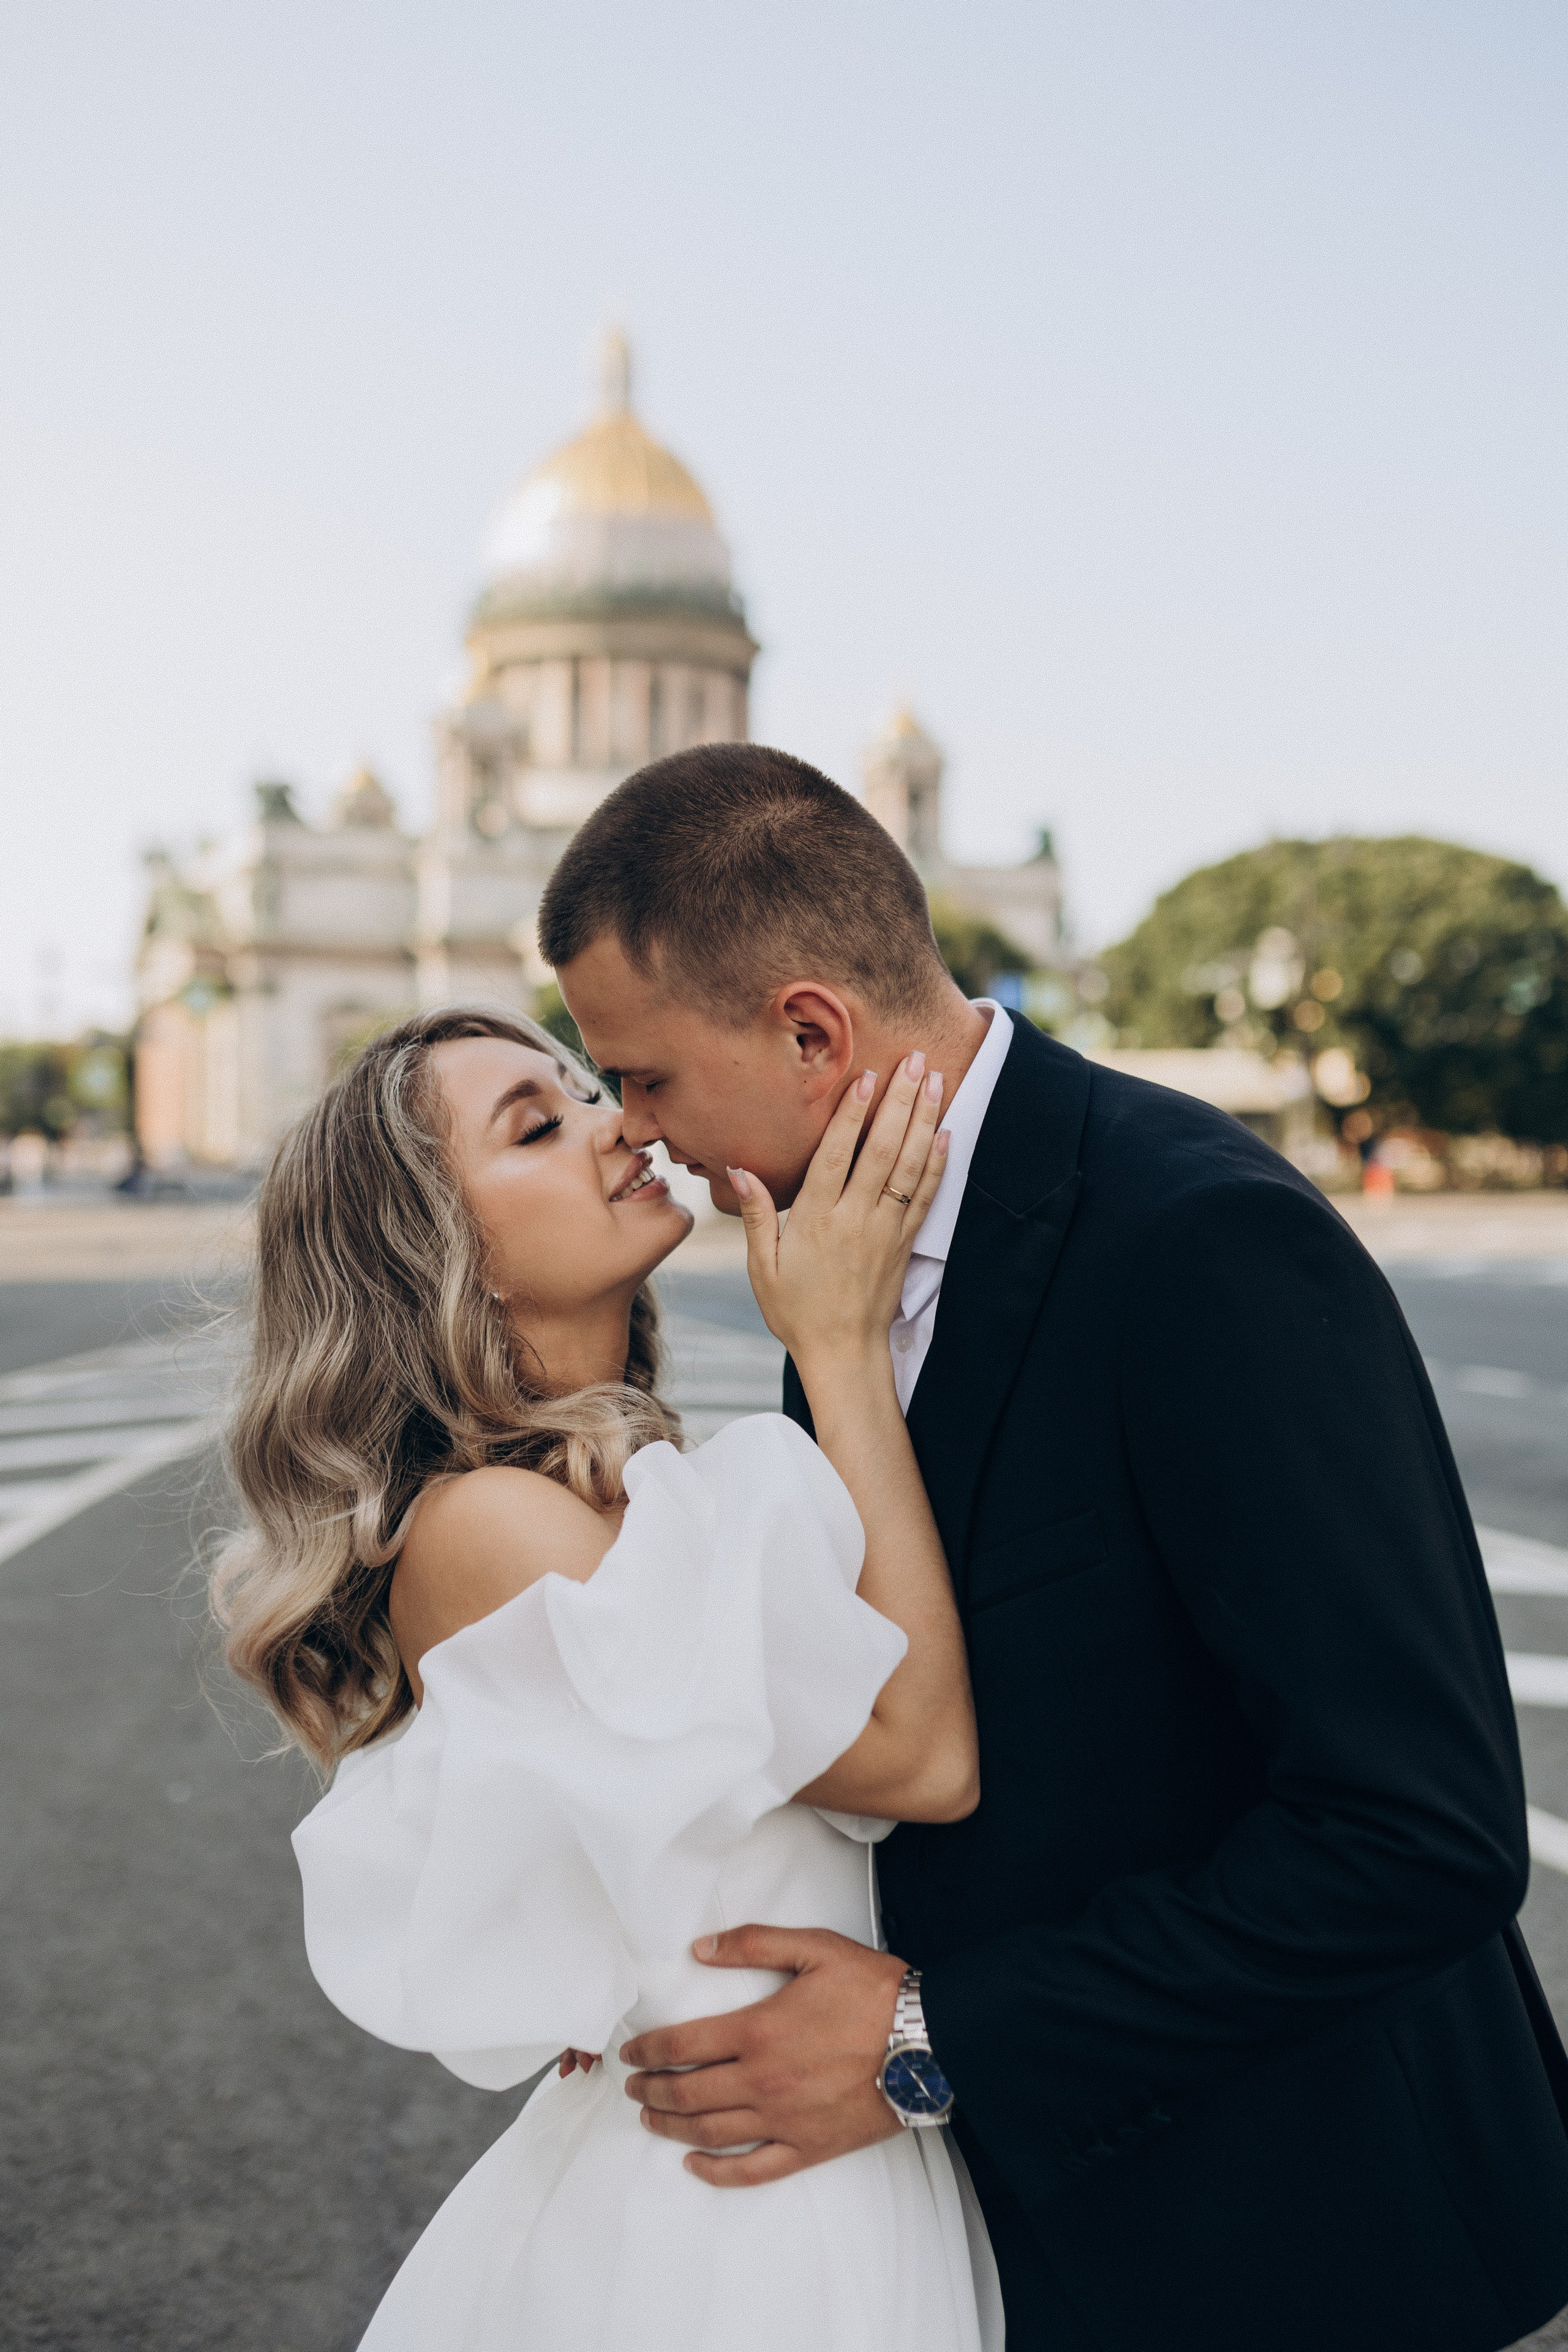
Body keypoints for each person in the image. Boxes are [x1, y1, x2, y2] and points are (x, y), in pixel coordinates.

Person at [538, 742, 1568, 2352]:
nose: (637, 1131)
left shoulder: (1196, 1242)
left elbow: (1418, 1834)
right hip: (1055, 2225)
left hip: (1306, 2236)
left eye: (646, 1077)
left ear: (811, 1031)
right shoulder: (834, 1271)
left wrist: (928, 2036)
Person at [213, 1005, 1003, 2351]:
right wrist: (839, 1345)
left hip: (811, 2135)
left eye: (591, 1090)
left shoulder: (622, 1494)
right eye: (542, 1123)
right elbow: (922, 1761)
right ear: (442, 1255)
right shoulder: (485, 1528)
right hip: (737, 2216)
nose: (621, 1126)